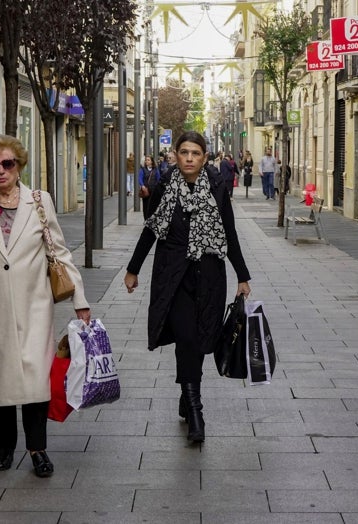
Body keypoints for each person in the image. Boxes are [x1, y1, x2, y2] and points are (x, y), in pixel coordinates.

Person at [0, 134, 91, 478]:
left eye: (7, 164)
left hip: (35, 305)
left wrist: (80, 301)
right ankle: (4, 447)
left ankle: (38, 449)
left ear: (19, 165)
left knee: (36, 381)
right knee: (0, 380)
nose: (0, 171)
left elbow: (60, 251)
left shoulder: (39, 201)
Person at [123, 131, 251, 443]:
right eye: (184, 152)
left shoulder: (218, 187)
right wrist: (133, 269)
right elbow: (151, 228)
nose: (190, 158)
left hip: (209, 276)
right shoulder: (164, 186)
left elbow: (229, 232)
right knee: (187, 339)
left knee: (201, 340)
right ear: (176, 156)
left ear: (205, 158)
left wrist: (243, 276)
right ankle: (195, 410)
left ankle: (186, 392)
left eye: (196, 153)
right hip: (173, 276)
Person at [138, 154, 160, 219]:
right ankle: (146, 220)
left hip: (153, 191)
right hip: (146, 191)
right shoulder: (142, 169)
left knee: (153, 206)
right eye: (146, 160)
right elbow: (140, 178)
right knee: (145, 206)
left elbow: (158, 179)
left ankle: (151, 220)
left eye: (148, 160)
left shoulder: (156, 170)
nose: (146, 161)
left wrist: (157, 188)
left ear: (151, 161)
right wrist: (142, 185)